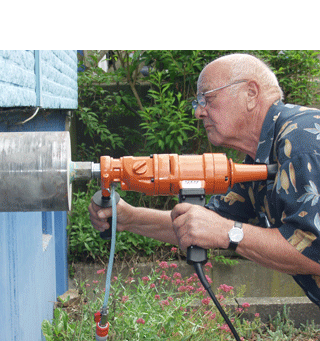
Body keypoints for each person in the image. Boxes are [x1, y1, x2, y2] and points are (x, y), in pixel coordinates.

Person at [88, 53, 320, 306]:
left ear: (251, 94)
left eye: (208, 99)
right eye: (198, 102)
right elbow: (205, 223)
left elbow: (314, 250)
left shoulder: (302, 140)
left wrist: (227, 232)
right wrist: (128, 218)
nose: (199, 112)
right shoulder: (259, 159)